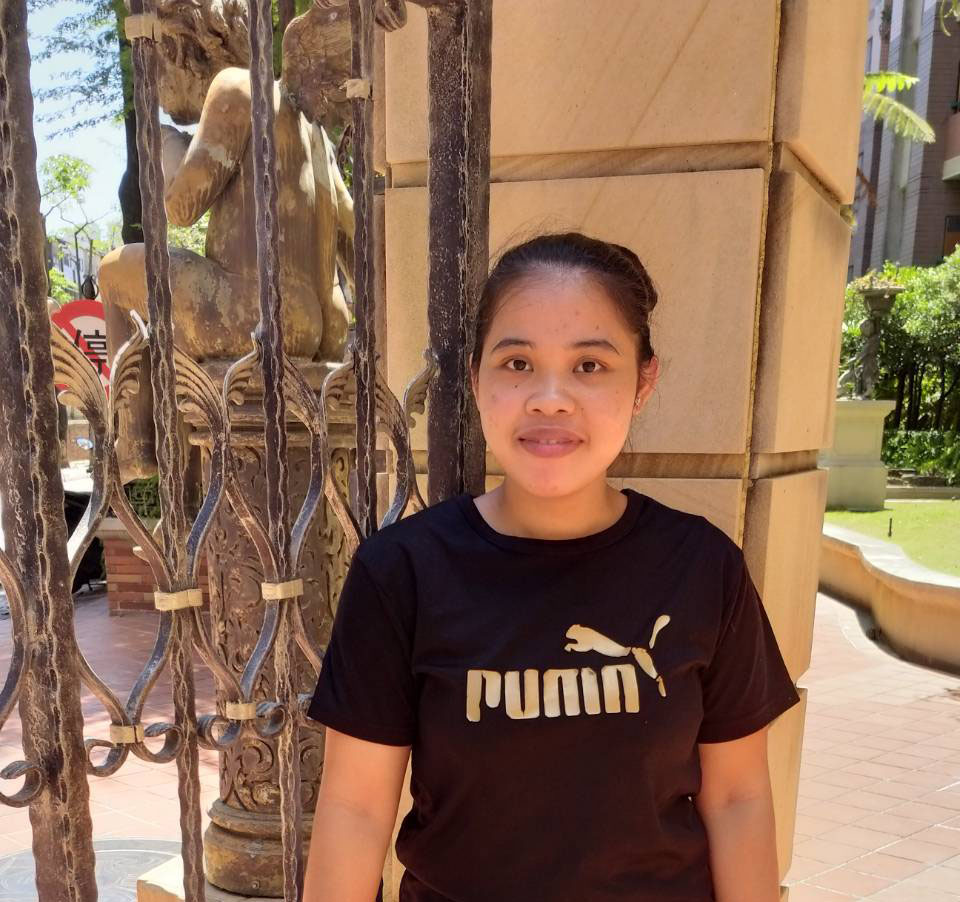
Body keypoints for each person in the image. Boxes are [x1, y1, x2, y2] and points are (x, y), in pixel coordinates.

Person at [302, 231, 802, 902]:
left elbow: (738, 797)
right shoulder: (402, 573)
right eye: (517, 363)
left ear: (643, 382)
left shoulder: (702, 568)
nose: (550, 398)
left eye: (590, 366)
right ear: (476, 378)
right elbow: (355, 810)